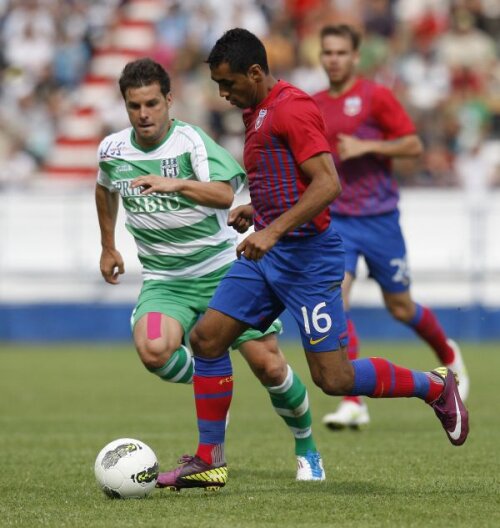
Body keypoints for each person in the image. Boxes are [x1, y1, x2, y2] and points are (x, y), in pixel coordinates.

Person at [159, 28, 469, 492]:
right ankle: (209, 460)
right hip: (267, 257)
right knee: (206, 339)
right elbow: (286, 178)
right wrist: (256, 209)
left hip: (308, 259)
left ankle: (435, 385)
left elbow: (327, 184)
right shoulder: (257, 110)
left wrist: (274, 229)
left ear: (256, 72)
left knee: (334, 378)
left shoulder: (292, 107)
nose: (222, 93)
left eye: (228, 83)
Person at [95, 57, 325, 484]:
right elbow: (105, 189)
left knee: (271, 368)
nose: (143, 114)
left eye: (151, 103)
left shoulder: (192, 143)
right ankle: (214, 375)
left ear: (169, 100)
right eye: (134, 106)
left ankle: (307, 447)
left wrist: (176, 183)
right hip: (166, 280)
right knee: (153, 352)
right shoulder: (112, 150)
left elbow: (224, 194)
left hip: (222, 272)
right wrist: (109, 245)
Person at [312, 24, 470, 431]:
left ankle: (448, 356)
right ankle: (352, 401)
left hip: (380, 219)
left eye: (341, 52)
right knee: (337, 302)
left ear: (355, 56)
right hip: (338, 221)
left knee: (400, 307)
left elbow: (414, 145)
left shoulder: (375, 96)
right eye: (327, 52)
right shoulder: (313, 105)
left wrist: (369, 146)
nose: (334, 59)